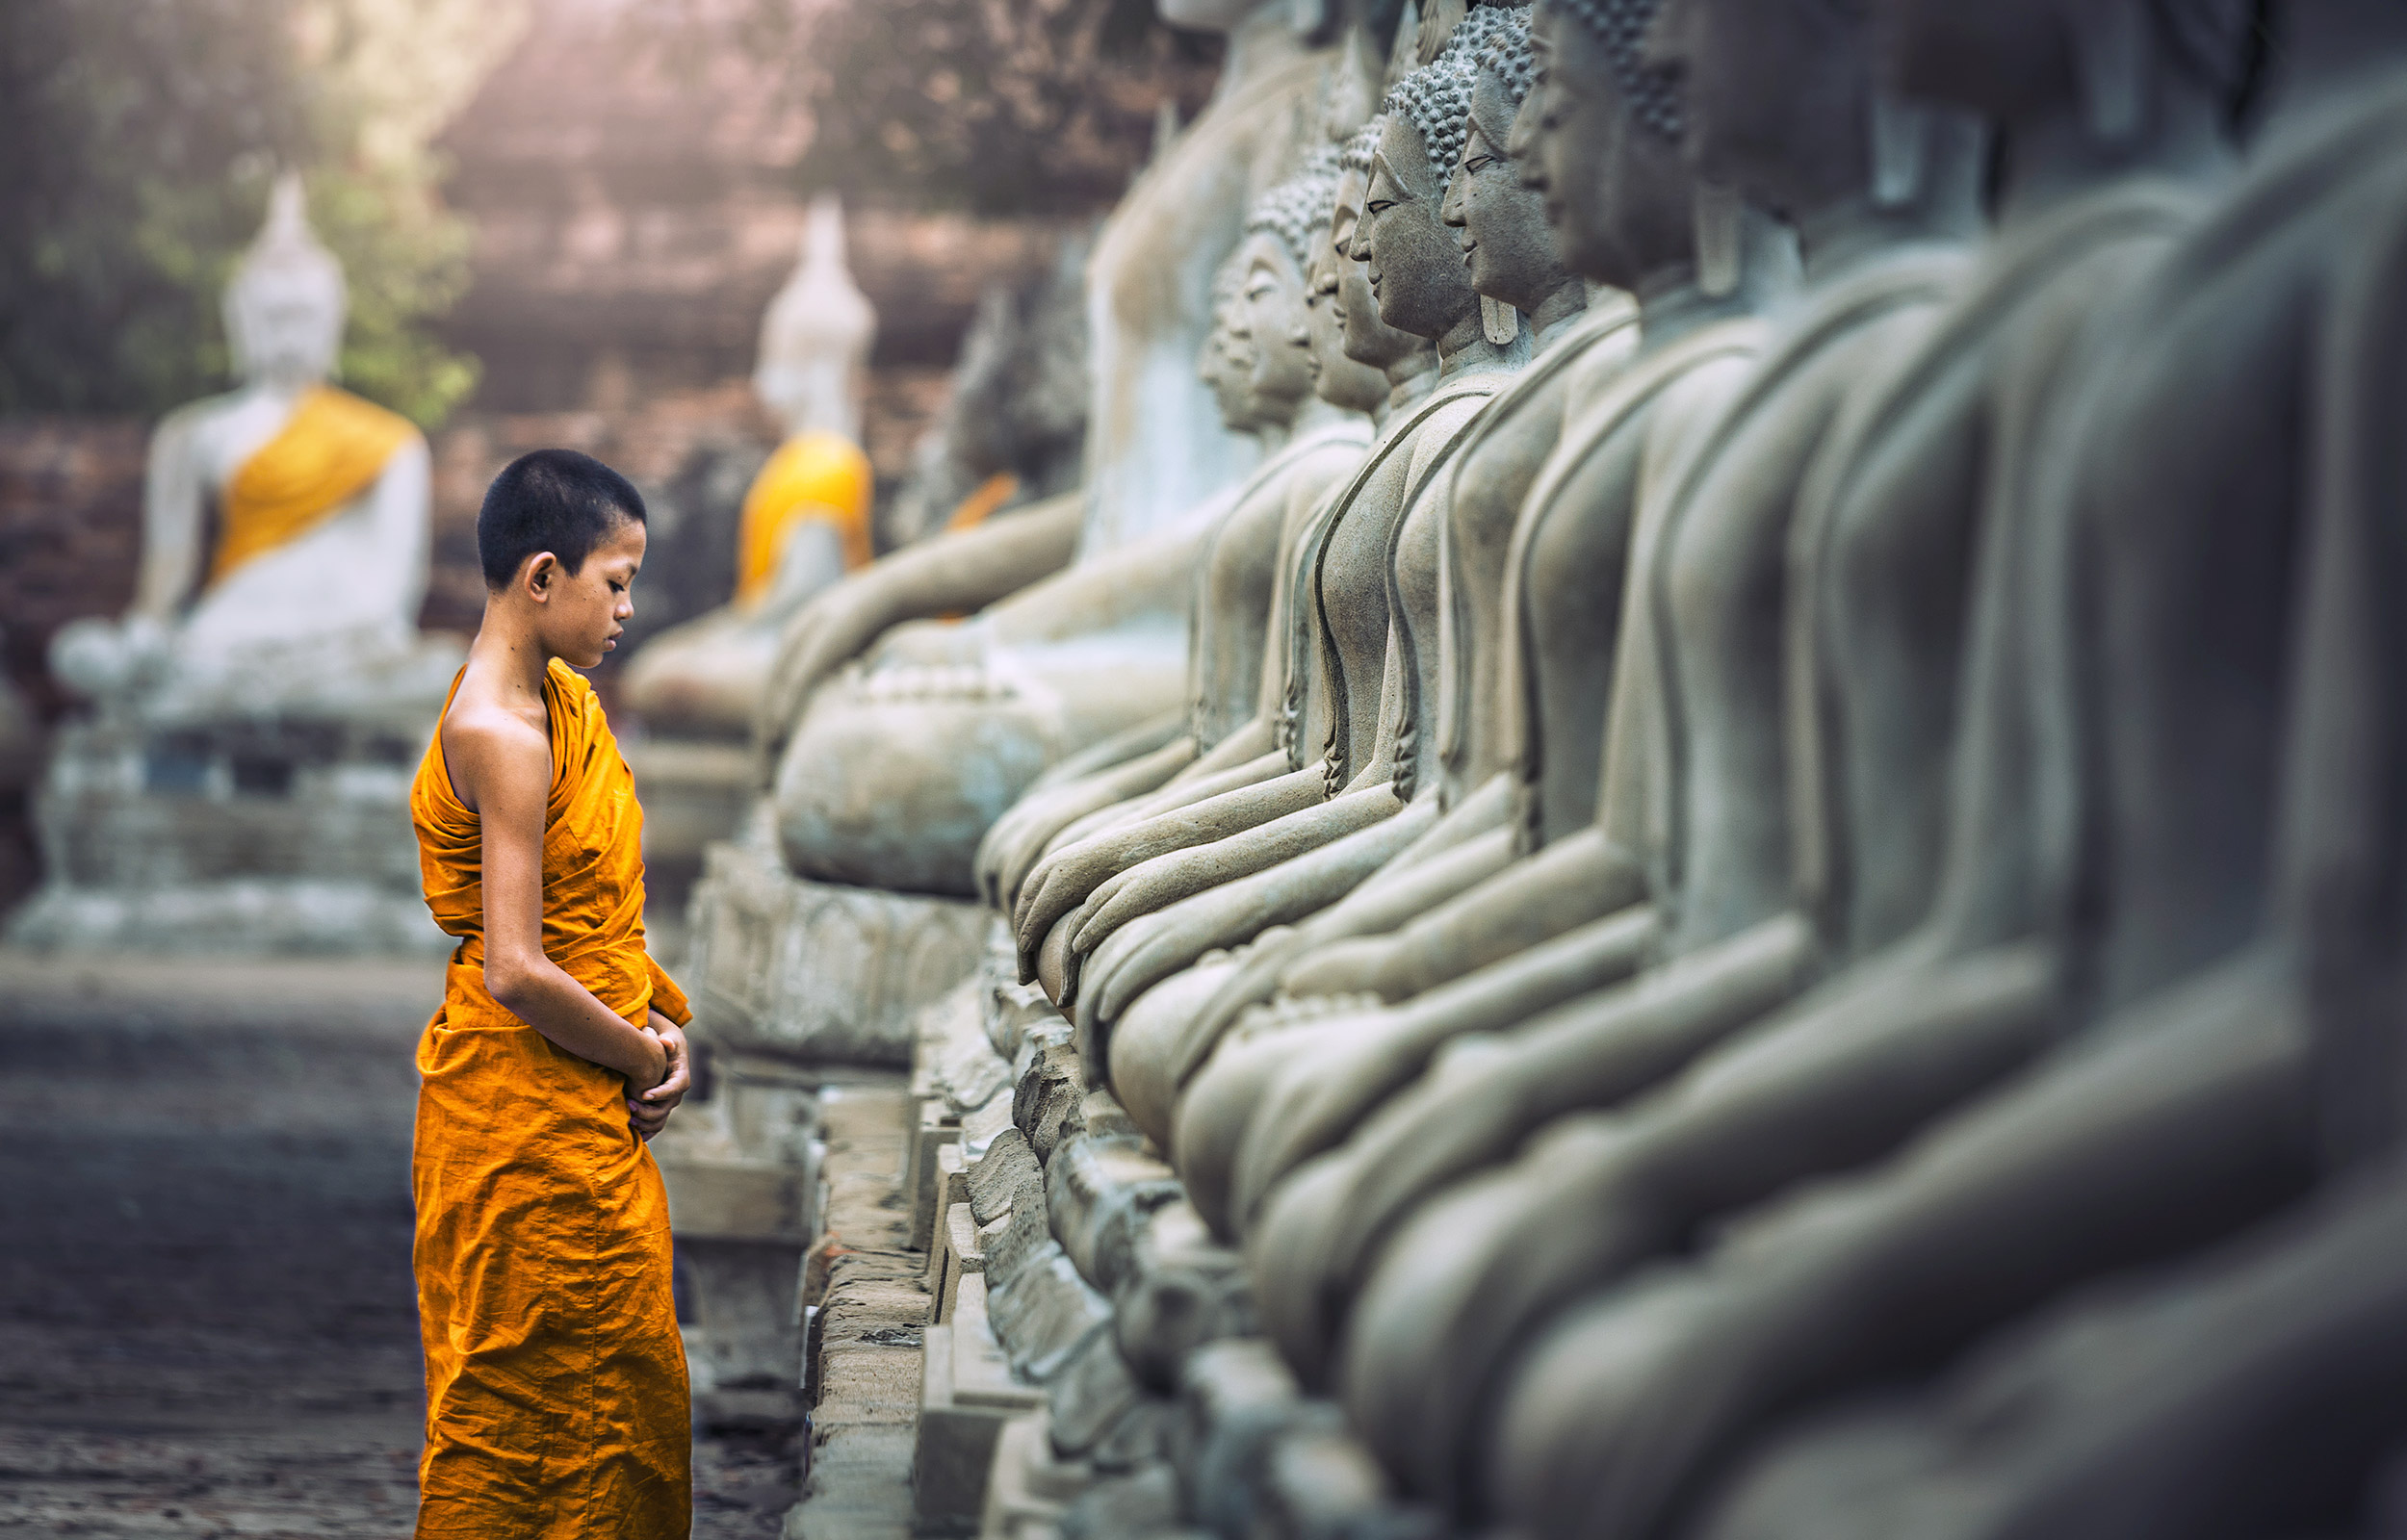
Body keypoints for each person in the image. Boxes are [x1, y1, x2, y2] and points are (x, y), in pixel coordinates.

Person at [408, 449, 697, 1537]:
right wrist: (642, 1055)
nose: (628, 606)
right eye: (614, 580)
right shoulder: (502, 730)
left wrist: (657, 1025)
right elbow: (519, 967)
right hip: (524, 1118)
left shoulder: (559, 698)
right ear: (542, 576)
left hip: (579, 1100)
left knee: (627, 1395)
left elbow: (602, 923)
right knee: (513, 1404)